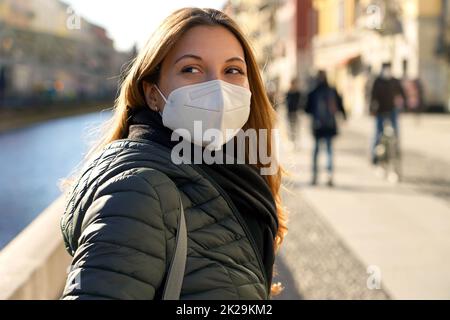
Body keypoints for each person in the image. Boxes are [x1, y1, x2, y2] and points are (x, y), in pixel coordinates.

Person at [59, 8, 287, 300]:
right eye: (191, 69)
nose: (217, 88)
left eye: (232, 70)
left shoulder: (235, 176)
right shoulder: (136, 191)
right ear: (153, 94)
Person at [305, 70, 346, 187]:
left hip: (317, 126)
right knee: (329, 151)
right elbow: (340, 105)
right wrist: (344, 116)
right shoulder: (332, 90)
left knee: (316, 151)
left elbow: (306, 109)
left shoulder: (313, 91)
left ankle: (314, 176)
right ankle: (329, 176)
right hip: (330, 125)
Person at [370, 62, 406, 165]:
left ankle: (396, 152)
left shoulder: (394, 81)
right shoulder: (377, 81)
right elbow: (372, 96)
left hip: (392, 110)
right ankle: (375, 156)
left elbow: (402, 93)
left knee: (395, 133)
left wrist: (404, 105)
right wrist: (372, 109)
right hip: (380, 111)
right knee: (378, 134)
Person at [285, 78, 302, 149]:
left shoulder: (298, 93)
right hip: (289, 112)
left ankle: (296, 142)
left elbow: (300, 103)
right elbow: (286, 102)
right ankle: (292, 141)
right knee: (290, 127)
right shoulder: (288, 92)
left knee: (296, 128)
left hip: (296, 112)